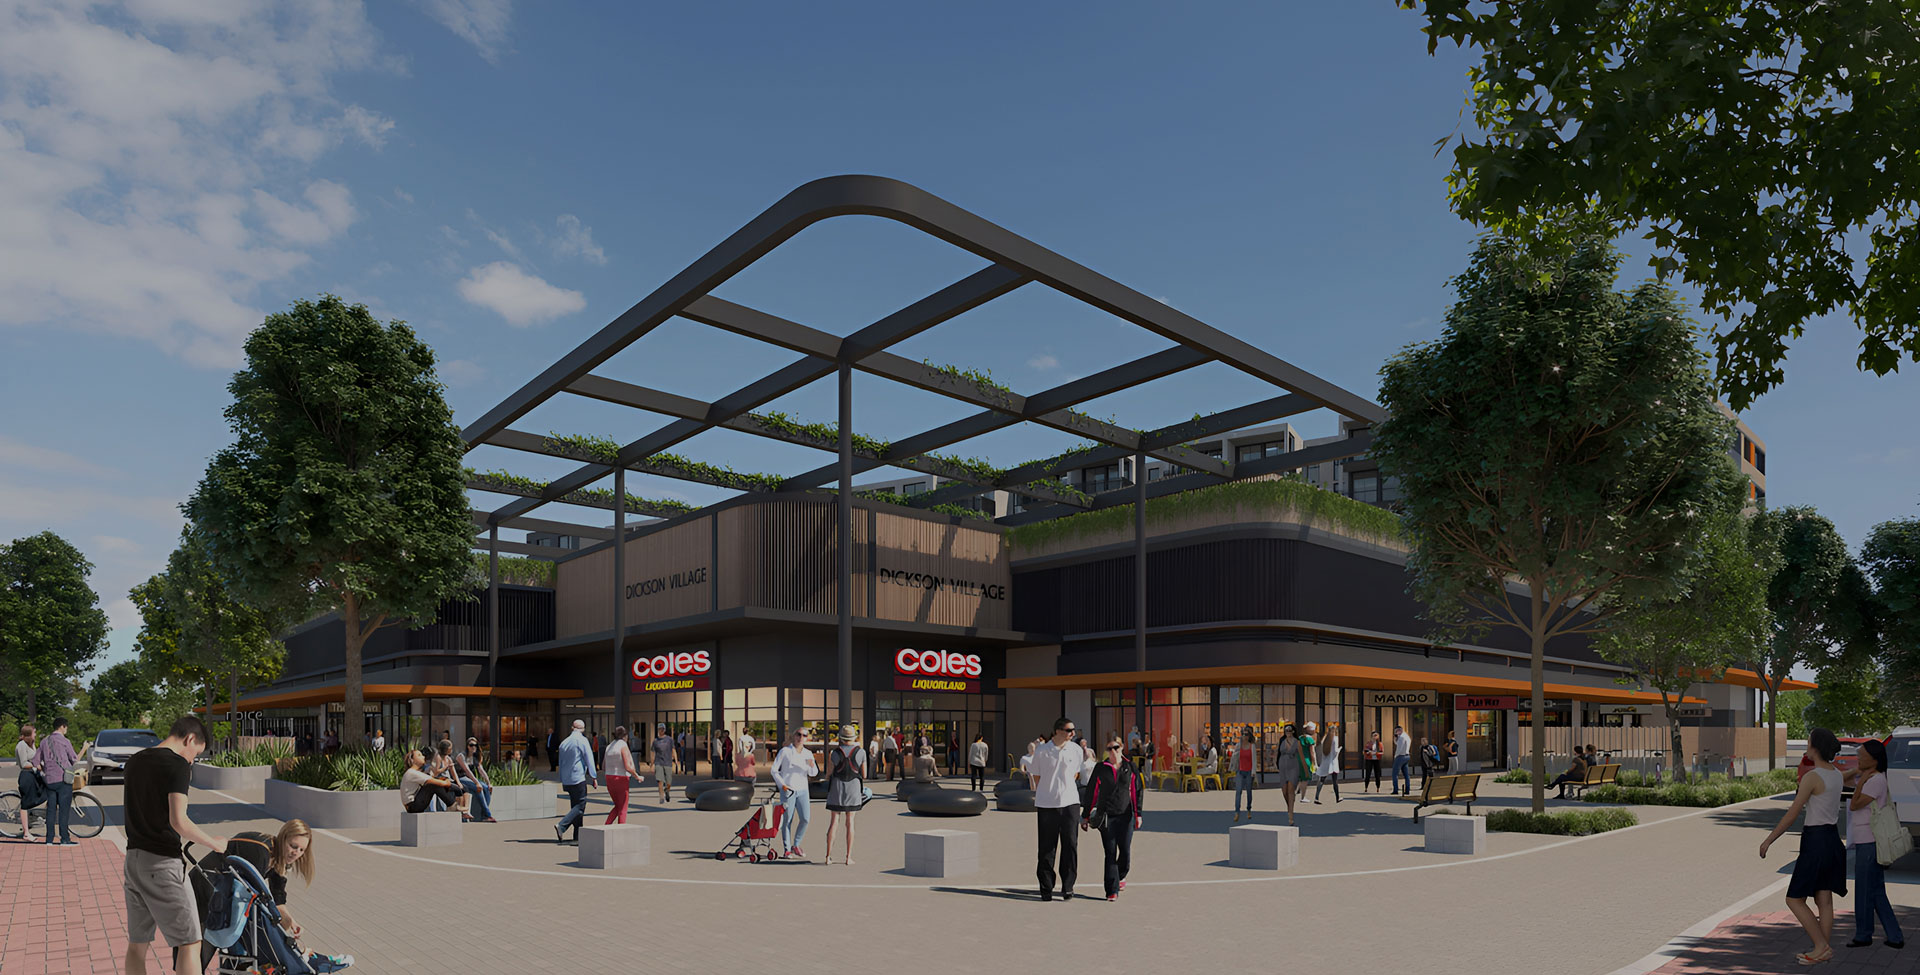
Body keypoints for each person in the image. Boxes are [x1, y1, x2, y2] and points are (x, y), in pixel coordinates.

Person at [122, 715, 226, 975]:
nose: (193, 760)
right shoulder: (178, 765)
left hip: (133, 861)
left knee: (137, 945)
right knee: (190, 941)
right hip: (162, 863)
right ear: (190, 739)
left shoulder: (135, 761)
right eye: (196, 754)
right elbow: (178, 821)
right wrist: (214, 843)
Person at [1760, 728, 1848, 965]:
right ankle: (1823, 951)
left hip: (1815, 840)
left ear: (1816, 748)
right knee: (1824, 898)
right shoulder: (1837, 775)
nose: (1806, 747)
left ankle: (1820, 946)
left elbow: (1792, 814)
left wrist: (1769, 840)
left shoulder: (1812, 776)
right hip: (1832, 838)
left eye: (1808, 743)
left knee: (1794, 899)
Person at [234, 820, 354, 973]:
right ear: (283, 838)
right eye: (293, 846)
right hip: (211, 890)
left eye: (301, 850)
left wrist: (291, 921)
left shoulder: (279, 862)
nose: (296, 852)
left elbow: (278, 900)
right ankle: (301, 958)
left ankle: (299, 956)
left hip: (228, 899)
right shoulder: (263, 852)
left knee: (275, 918)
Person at [1845, 739, 1905, 950]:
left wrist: (1861, 780)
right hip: (1868, 841)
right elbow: (1843, 780)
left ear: (1874, 759)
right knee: (1876, 891)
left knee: (1864, 890)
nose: (1858, 757)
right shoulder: (1871, 776)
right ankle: (1895, 936)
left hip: (1869, 841)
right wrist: (1858, 770)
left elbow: (1854, 804)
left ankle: (1863, 935)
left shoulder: (1876, 780)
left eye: (1861, 755)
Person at [1029, 717, 1090, 901]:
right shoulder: (1042, 751)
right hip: (1047, 804)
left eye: (1073, 730)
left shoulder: (1076, 750)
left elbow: (1076, 773)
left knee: (1070, 845)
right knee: (1047, 847)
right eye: (1069, 730)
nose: (1073, 733)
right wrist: (1050, 790)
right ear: (1057, 731)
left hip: (1070, 802)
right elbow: (1037, 777)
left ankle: (1068, 886)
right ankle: (1046, 887)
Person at [1083, 735, 1142, 902]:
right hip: (1106, 817)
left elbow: (1136, 791)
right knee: (1110, 853)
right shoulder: (1101, 768)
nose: (1113, 751)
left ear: (1122, 748)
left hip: (1125, 817)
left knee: (1125, 852)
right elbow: (1092, 792)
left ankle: (1120, 875)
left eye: (1116, 747)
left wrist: (1138, 815)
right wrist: (1085, 816)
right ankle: (1111, 890)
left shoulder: (1130, 767)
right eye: (1109, 748)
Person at [823, 725, 867, 865]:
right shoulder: (861, 752)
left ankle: (828, 856)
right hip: (853, 787)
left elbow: (829, 773)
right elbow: (864, 775)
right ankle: (848, 857)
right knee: (850, 822)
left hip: (837, 787)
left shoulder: (834, 753)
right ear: (854, 737)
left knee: (834, 821)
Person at [32, 717, 79, 846]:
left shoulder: (44, 741)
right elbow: (74, 759)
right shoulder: (64, 741)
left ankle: (49, 839)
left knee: (51, 810)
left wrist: (45, 770)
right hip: (63, 779)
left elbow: (35, 761)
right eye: (66, 727)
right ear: (62, 726)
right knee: (63, 810)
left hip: (49, 780)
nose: (66, 730)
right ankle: (64, 839)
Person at [773, 729, 818, 859]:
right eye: (799, 734)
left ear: (807, 738)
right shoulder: (785, 751)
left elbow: (813, 773)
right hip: (788, 790)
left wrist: (811, 764)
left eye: (804, 735)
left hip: (803, 790)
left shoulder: (808, 753)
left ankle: (796, 844)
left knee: (805, 819)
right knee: (787, 820)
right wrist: (782, 785)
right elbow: (774, 770)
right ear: (794, 736)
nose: (801, 737)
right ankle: (787, 849)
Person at [553, 720, 598, 844]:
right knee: (580, 805)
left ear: (572, 728)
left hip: (567, 779)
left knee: (575, 806)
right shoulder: (582, 741)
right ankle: (562, 826)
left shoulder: (564, 743)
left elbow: (560, 763)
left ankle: (577, 837)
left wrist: (562, 778)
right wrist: (593, 777)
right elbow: (589, 758)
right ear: (583, 729)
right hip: (578, 778)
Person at [400, 749, 460, 814]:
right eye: (419, 755)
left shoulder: (412, 772)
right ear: (412, 760)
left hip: (412, 806)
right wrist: (447, 783)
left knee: (434, 783)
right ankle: (452, 805)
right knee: (432, 785)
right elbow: (435, 781)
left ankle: (453, 804)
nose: (423, 757)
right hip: (413, 806)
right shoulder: (412, 773)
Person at [454, 737, 495, 823]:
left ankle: (484, 816)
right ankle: (488, 814)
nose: (473, 747)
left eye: (475, 745)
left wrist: (488, 783)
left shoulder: (475, 758)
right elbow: (467, 771)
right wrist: (476, 783)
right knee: (479, 788)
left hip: (469, 779)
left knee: (486, 787)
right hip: (460, 778)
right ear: (467, 746)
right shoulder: (461, 756)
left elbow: (481, 771)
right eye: (471, 745)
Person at [604, 726, 639, 824]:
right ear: (625, 736)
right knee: (623, 807)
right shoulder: (623, 745)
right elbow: (627, 766)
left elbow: (603, 766)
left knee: (618, 806)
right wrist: (637, 776)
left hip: (609, 778)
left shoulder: (609, 746)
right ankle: (621, 829)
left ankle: (607, 825)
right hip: (621, 778)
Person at [14, 724, 41, 841]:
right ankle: (26, 833)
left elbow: (35, 757)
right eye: (34, 733)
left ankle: (34, 817)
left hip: (33, 775)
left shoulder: (30, 744)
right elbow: (24, 764)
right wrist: (37, 766)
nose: (35, 734)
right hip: (26, 776)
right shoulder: (21, 745)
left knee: (45, 792)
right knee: (25, 803)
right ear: (29, 735)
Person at [1273, 724, 1303, 826]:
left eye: (1290, 730)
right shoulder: (1282, 740)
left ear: (1293, 731)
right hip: (1283, 766)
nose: (1288, 732)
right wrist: (1276, 764)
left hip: (1293, 766)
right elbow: (1278, 753)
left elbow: (1301, 756)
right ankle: (1290, 807)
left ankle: (1291, 816)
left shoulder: (1297, 742)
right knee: (1284, 791)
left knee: (1290, 790)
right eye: (1286, 730)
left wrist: (1305, 771)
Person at [1231, 727, 1258, 822]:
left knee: (1249, 791)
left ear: (1249, 736)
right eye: (1243, 734)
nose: (1244, 736)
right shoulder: (1239, 745)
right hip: (1240, 771)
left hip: (1249, 771)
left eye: (1246, 734)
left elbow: (1254, 760)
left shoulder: (1252, 746)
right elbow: (1234, 756)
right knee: (1238, 791)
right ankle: (1237, 812)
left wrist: (1253, 772)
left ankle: (1249, 809)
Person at [1313, 724, 1342, 804]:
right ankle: (1337, 797)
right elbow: (1335, 751)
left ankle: (1316, 797)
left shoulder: (1325, 738)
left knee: (1322, 780)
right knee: (1335, 781)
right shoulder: (1335, 738)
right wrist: (1340, 749)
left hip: (1325, 762)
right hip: (1333, 762)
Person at [649, 726, 676, 804]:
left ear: (664, 730)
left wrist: (676, 761)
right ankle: (661, 797)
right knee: (660, 781)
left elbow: (673, 750)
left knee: (669, 782)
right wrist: (652, 764)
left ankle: (667, 790)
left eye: (662, 729)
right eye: (660, 729)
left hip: (668, 762)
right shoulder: (655, 741)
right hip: (658, 763)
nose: (661, 730)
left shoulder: (669, 740)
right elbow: (653, 753)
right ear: (658, 730)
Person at [1391, 725, 1412, 795]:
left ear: (1400, 730)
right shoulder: (1407, 736)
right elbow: (1397, 743)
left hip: (1401, 756)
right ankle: (1407, 789)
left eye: (1396, 731)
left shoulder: (1402, 737)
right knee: (1406, 774)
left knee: (1395, 774)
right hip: (1407, 755)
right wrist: (1395, 738)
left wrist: (1395, 756)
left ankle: (1395, 790)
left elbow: (1399, 748)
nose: (1396, 733)